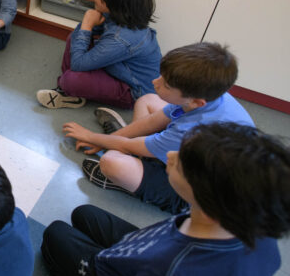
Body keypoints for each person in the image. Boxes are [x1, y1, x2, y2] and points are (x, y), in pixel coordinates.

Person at [41, 123, 290, 276]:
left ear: (208, 199)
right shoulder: (256, 225)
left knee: (54, 234)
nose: (170, 156)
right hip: (148, 258)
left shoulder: (167, 274)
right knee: (84, 213)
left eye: (181, 164)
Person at [63, 42, 254, 214]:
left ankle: (126, 183)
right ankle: (130, 151)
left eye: (166, 85)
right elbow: (151, 122)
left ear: (196, 102)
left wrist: (92, 137)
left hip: (193, 193)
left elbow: (132, 146)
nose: (155, 82)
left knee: (111, 162)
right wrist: (107, 142)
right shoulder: (208, 96)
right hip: (187, 158)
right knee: (146, 101)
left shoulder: (192, 132)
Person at [36, 0, 161, 111]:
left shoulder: (121, 39)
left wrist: (87, 23)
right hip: (118, 67)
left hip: (132, 91)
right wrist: (86, 27)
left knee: (71, 79)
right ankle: (70, 86)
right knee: (74, 38)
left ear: (115, 2)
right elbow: (82, 37)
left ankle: (68, 90)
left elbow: (77, 63)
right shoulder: (119, 15)